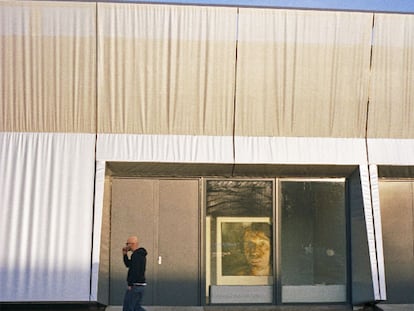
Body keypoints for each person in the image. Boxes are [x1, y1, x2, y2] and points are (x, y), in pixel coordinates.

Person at [122, 236, 148, 311]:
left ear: (132, 244)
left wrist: (130, 284)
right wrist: (124, 254)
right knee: (136, 308)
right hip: (141, 285)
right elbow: (128, 264)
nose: (126, 245)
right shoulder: (140, 255)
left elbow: (134, 271)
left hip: (135, 285)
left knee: (128, 308)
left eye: (127, 243)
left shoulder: (136, 255)